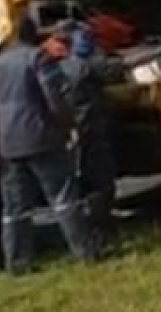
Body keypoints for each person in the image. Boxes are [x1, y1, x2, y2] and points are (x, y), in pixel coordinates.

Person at [0, 13, 97, 274]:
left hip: (8, 143)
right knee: (64, 197)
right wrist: (68, 125)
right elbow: (54, 98)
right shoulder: (39, 58)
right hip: (41, 137)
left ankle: (17, 263)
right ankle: (85, 252)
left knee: (14, 208)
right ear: (35, 36)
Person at [56, 21, 123, 240]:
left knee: (82, 180)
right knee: (102, 180)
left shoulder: (54, 67)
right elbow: (110, 71)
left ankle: (93, 226)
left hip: (73, 131)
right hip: (91, 128)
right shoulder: (81, 66)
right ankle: (101, 229)